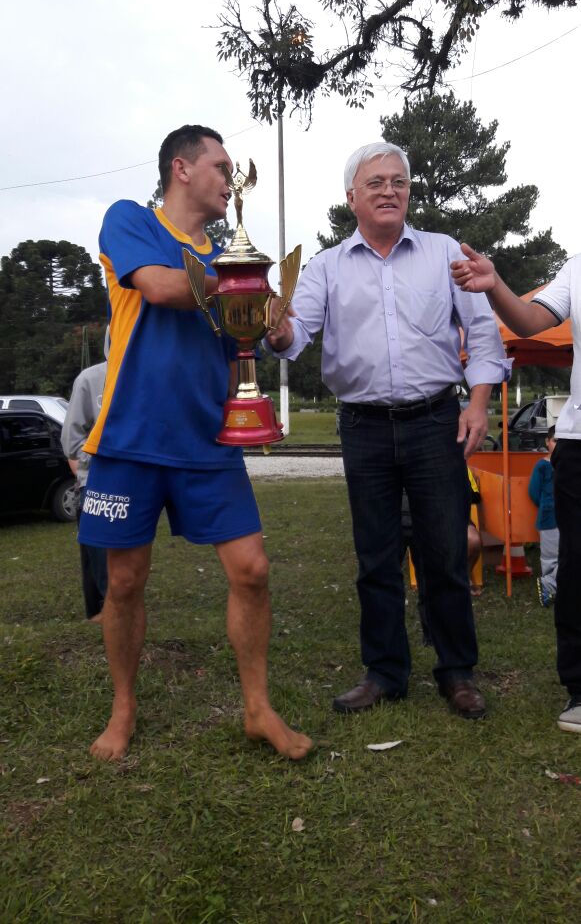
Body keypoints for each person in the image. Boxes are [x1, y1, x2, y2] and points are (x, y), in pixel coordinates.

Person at [78, 124, 312, 762]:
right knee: (123, 582)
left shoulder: (231, 252)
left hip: (211, 438)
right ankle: (123, 709)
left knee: (252, 571)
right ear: (181, 169)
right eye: (220, 166)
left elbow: (265, 341)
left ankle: (258, 710)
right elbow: (159, 286)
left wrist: (279, 326)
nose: (228, 179)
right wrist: (245, 287)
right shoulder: (131, 221)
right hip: (130, 438)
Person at [267, 140, 510, 719]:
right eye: (375, 182)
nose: (389, 191)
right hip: (364, 427)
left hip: (435, 423)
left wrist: (477, 406)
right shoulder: (325, 266)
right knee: (374, 555)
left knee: (446, 551)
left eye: (398, 182)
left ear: (408, 192)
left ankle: (456, 670)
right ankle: (384, 672)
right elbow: (295, 338)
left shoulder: (444, 252)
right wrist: (273, 330)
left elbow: (482, 335)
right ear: (351, 196)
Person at [452, 245, 581, 734]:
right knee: (577, 565)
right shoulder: (577, 266)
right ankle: (579, 690)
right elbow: (529, 322)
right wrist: (496, 284)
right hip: (578, 441)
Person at [404, 466, 484, 645]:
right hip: (402, 515)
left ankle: (435, 634)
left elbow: (472, 496)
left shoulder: (452, 460)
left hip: (443, 514)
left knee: (433, 578)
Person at [61, 338, 109, 623]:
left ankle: (112, 615)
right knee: (96, 558)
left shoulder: (149, 375)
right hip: (96, 484)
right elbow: (71, 440)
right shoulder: (90, 378)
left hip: (135, 484)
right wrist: (98, 461)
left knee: (123, 564)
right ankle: (99, 615)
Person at [528, 426, 559, 608]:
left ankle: (551, 584)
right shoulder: (542, 465)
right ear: (547, 441)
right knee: (550, 558)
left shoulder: (571, 465)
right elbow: (534, 492)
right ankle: (549, 589)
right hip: (549, 519)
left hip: (570, 518)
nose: (558, 445)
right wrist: (548, 507)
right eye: (555, 441)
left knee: (571, 555)